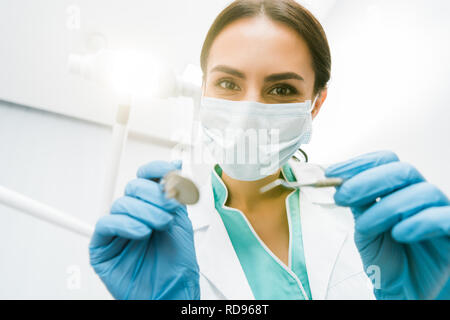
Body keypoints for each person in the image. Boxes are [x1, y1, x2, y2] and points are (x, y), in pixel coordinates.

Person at [88, 0, 450, 300]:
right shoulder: (154, 238)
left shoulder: (371, 219)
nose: (247, 114)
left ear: (316, 103)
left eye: (281, 90)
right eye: (228, 83)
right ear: (203, 89)